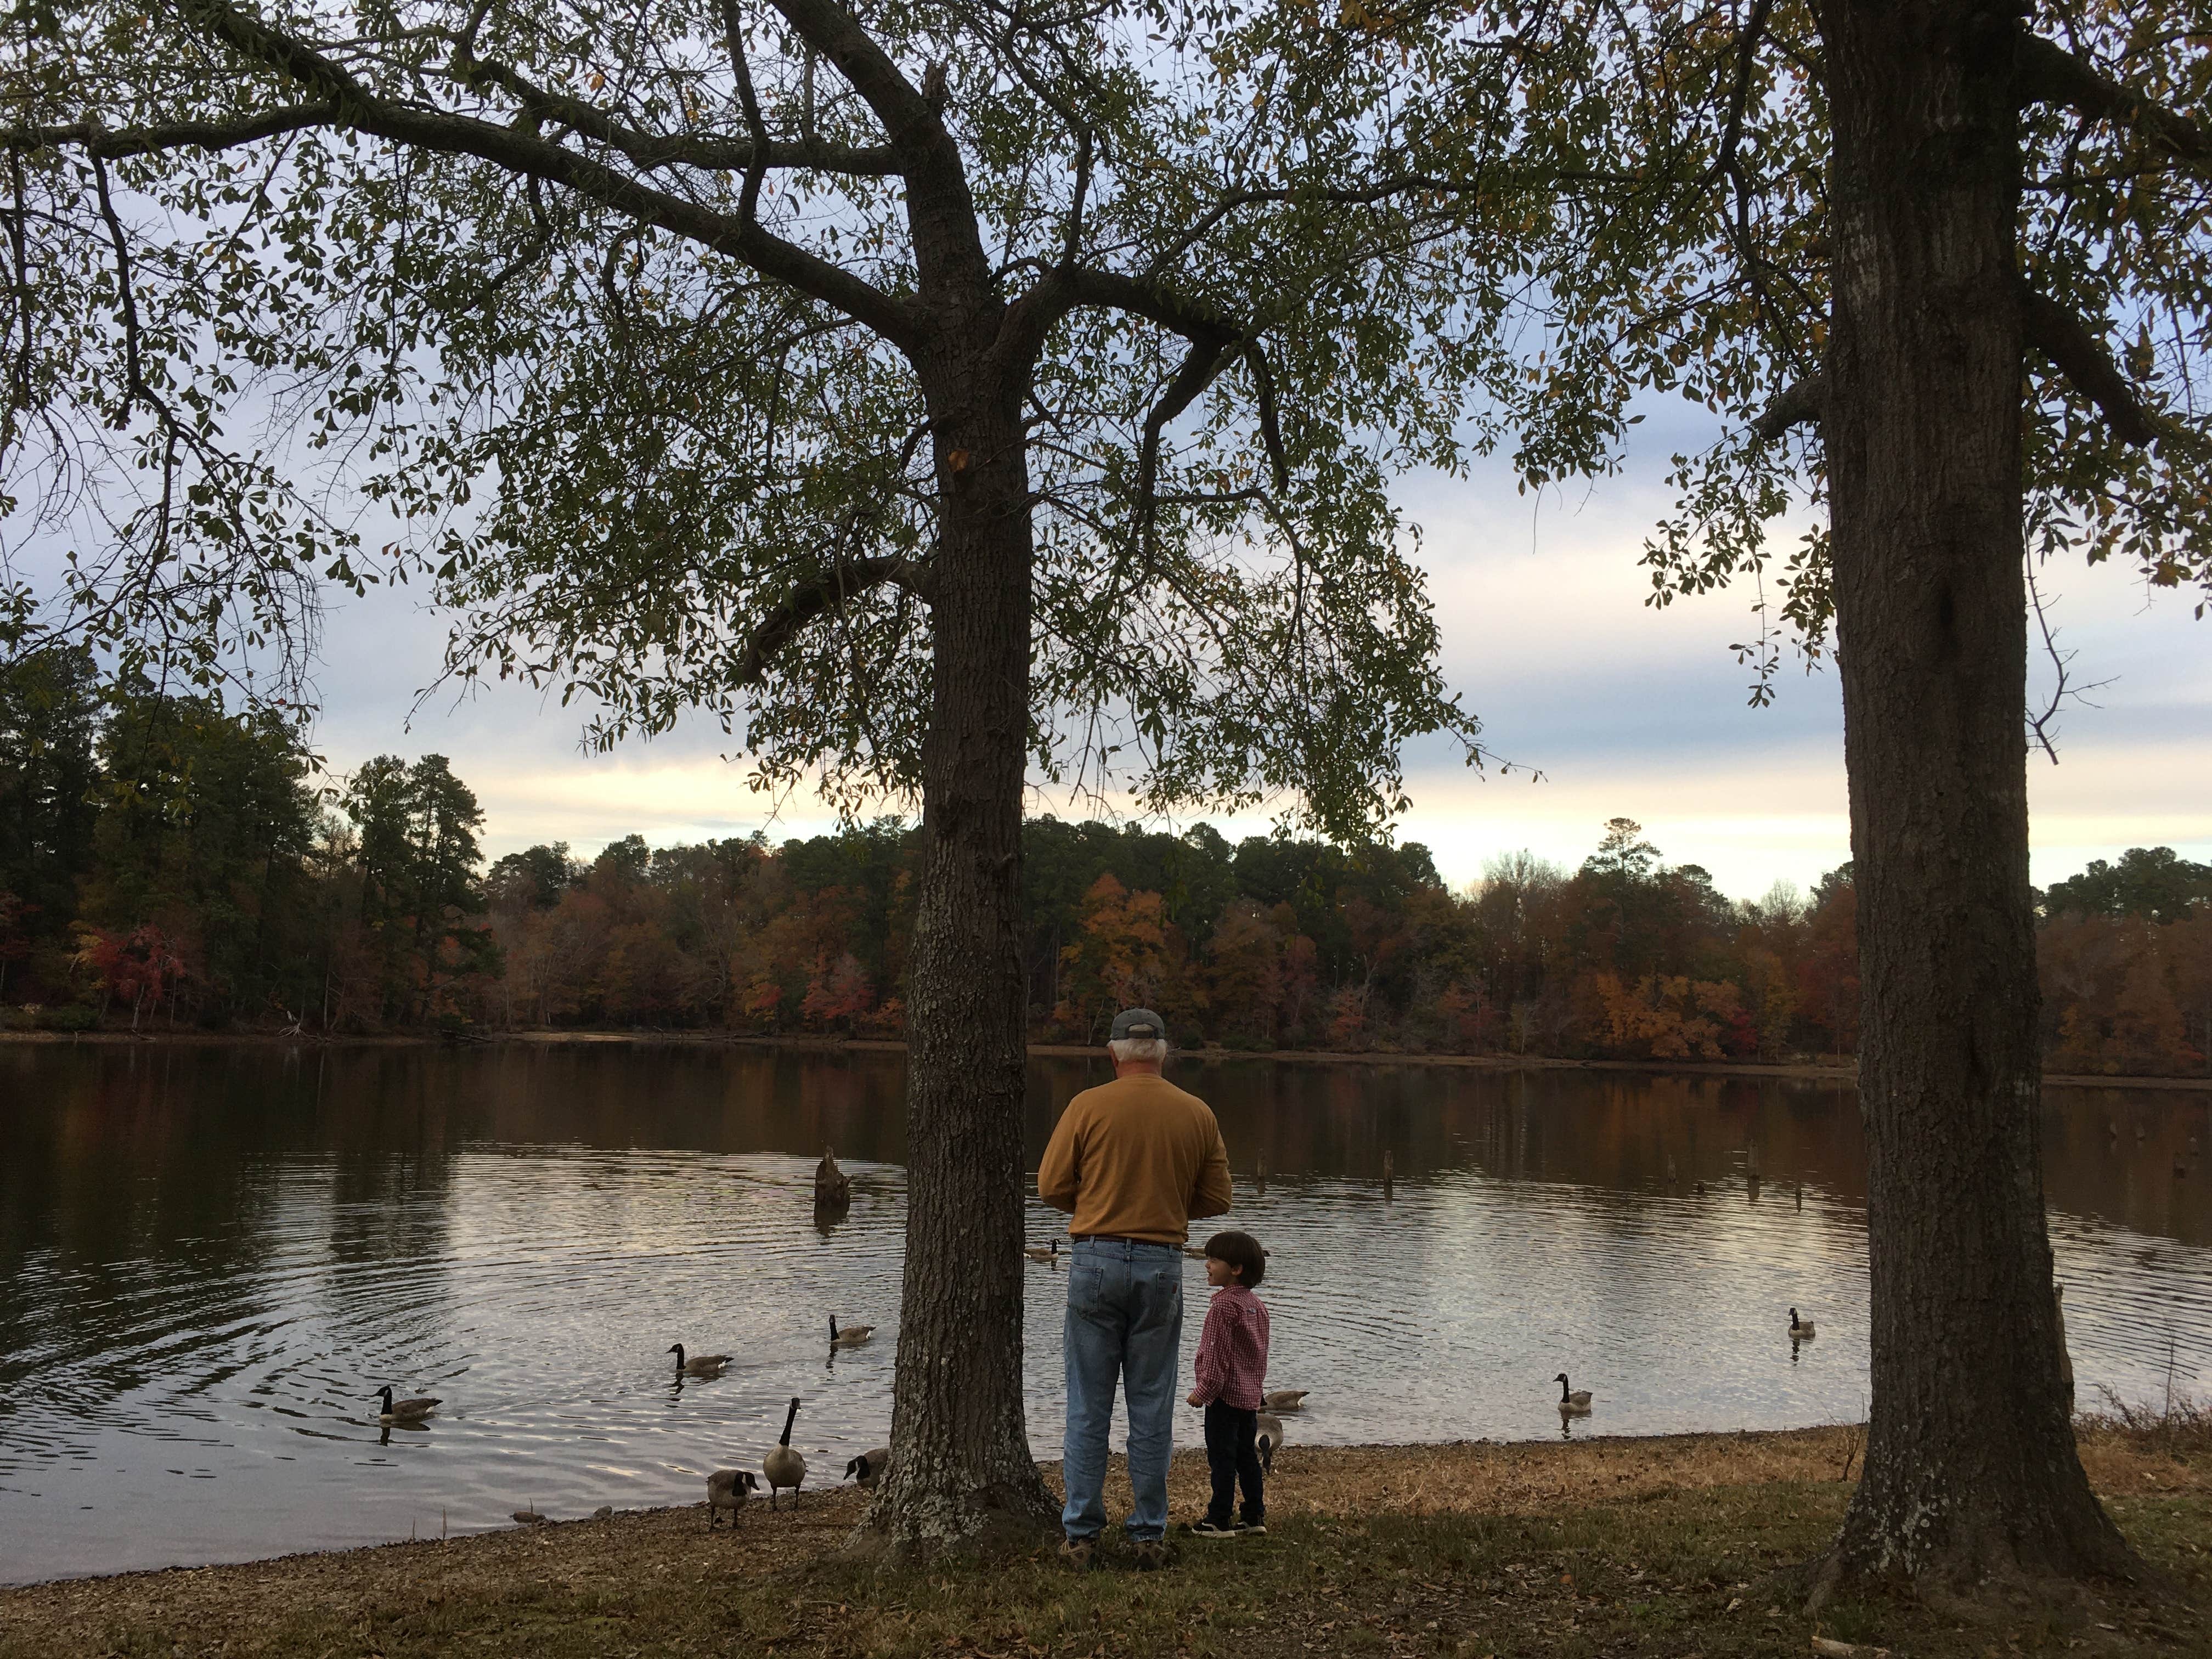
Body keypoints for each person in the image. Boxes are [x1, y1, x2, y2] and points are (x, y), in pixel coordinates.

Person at [1038, 1007, 1232, 1569]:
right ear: (1165, 1054)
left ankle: (1081, 1535)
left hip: (1094, 1259)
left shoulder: (1086, 1106)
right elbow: (1218, 1199)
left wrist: (1100, 1204)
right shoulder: (1196, 1113)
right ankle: (1148, 1535)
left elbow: (1051, 1185)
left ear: (1113, 1054)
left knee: (1087, 1405)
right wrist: (1165, 1203)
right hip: (1161, 1264)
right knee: (1151, 1405)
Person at [1185, 1228, 1270, 1539]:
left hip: (1223, 1399)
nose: (1207, 1265)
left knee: (1222, 1459)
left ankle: (1218, 1519)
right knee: (1246, 1456)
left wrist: (1202, 1392)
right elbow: (1257, 1356)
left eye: (1214, 1260)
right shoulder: (1257, 1306)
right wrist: (1257, 1391)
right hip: (1249, 1398)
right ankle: (1253, 1516)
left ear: (1236, 1270)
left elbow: (1217, 1356)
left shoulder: (1222, 1308)